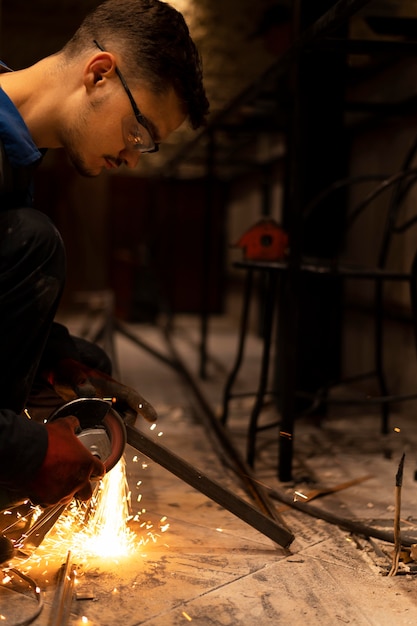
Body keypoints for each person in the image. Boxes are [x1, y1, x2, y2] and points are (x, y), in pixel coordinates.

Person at [0, 0, 209, 509]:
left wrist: (55, 359)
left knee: (78, 352)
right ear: (99, 74)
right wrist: (26, 451)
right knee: (34, 242)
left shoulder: (14, 162)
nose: (133, 157)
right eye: (140, 132)